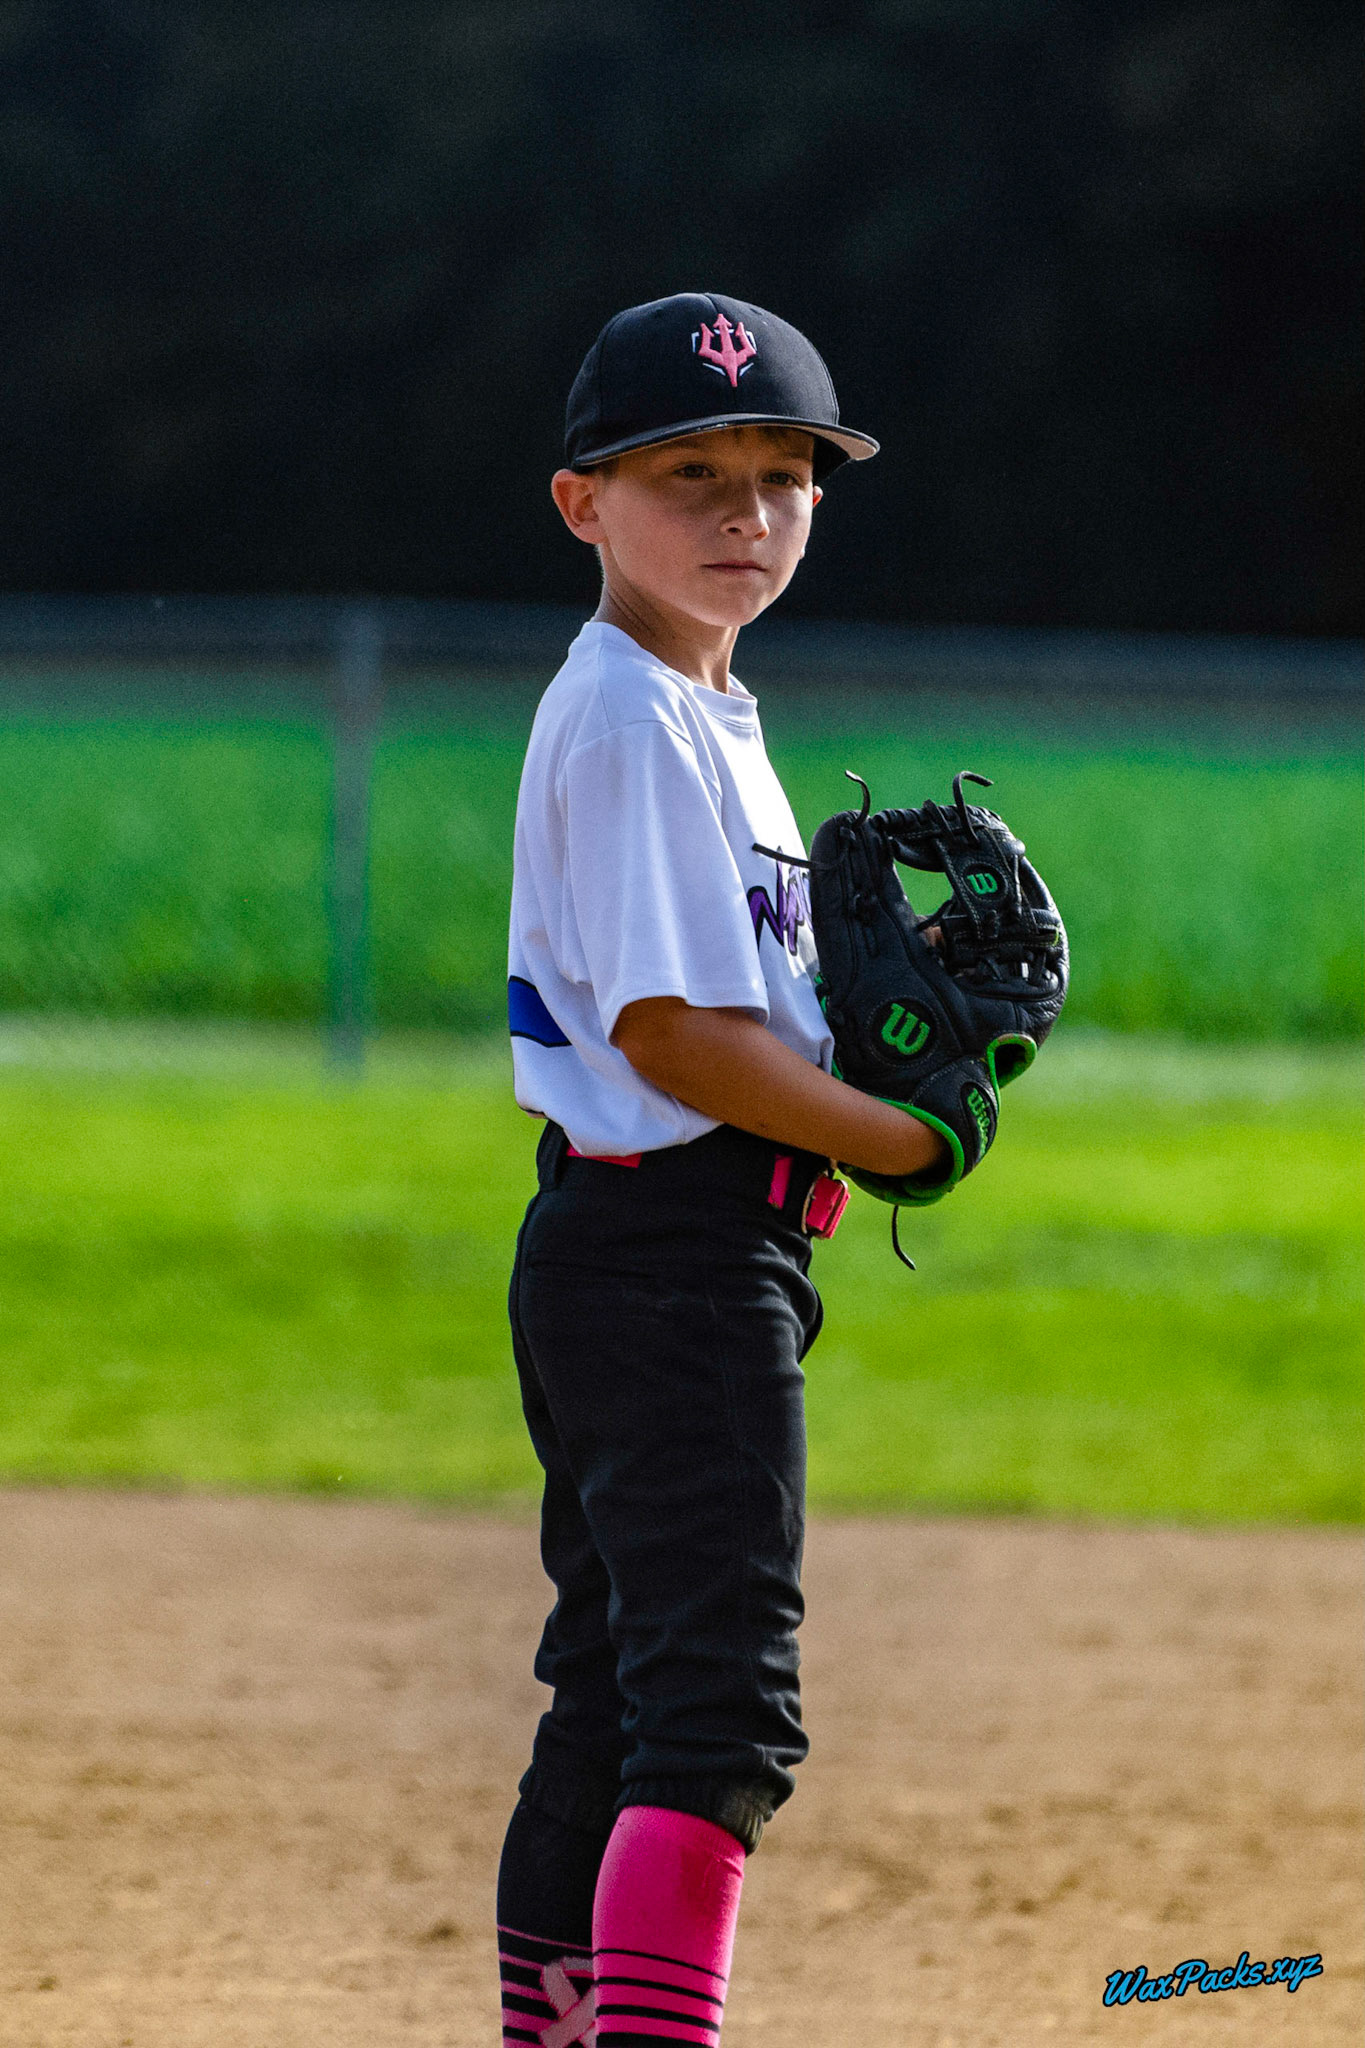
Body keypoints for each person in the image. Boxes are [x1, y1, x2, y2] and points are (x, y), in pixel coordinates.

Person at [496, 292, 949, 2046]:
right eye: (684, 472)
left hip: (651, 1253)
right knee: (715, 1726)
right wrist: (906, 1136)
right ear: (581, 503)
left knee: (615, 1701)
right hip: (671, 1257)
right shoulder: (629, 720)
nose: (741, 512)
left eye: (782, 473)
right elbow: (681, 1041)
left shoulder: (703, 712)